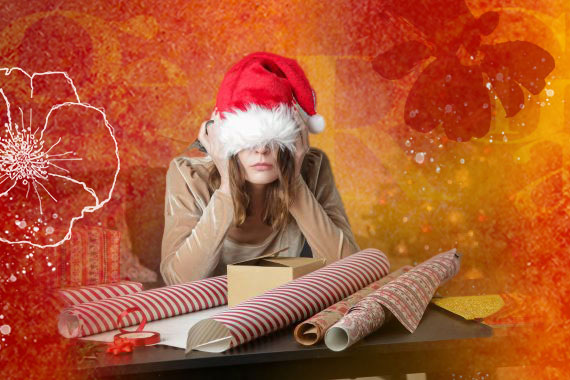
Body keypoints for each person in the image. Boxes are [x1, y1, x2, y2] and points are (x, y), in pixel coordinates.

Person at [160, 52, 360, 285]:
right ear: (226, 139)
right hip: (213, 315)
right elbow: (177, 280)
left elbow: (350, 269)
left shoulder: (311, 168)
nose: (262, 150)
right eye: (247, 139)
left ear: (293, 138)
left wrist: (294, 183)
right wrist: (226, 188)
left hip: (281, 310)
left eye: (274, 138)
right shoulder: (189, 176)